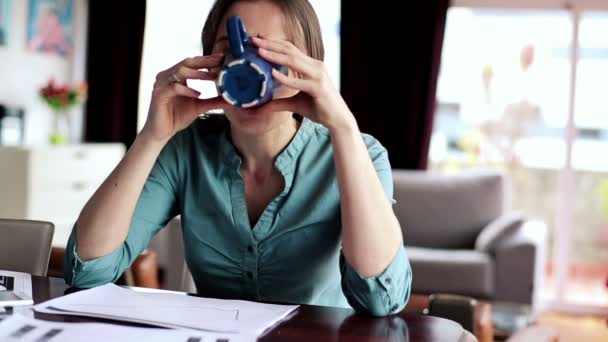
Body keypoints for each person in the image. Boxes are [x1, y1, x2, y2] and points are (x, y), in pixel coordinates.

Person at [64, 0, 412, 316]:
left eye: (271, 53)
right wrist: (152, 136)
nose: (248, 67)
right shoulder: (187, 151)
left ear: (307, 67)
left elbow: (381, 300)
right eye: (233, 51)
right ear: (212, 65)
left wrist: (343, 126)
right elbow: (88, 271)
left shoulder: (358, 151)